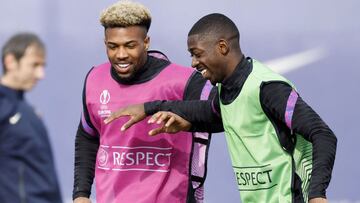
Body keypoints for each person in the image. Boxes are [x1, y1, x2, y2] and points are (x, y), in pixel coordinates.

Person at [105, 13, 337, 203]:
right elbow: (207, 112)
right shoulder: (226, 91)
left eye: (197, 54)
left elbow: (323, 134)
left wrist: (317, 194)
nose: (194, 63)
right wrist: (152, 109)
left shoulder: (266, 87)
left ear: (222, 47)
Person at [72, 1, 220, 203]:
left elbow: (220, 113)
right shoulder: (94, 79)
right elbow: (87, 136)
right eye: (113, 46)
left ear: (146, 42)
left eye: (130, 45)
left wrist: (166, 112)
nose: (121, 54)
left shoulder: (184, 81)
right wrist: (81, 194)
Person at [0, 33, 62, 203]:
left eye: (43, 66)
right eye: (34, 65)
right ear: (10, 61)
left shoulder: (28, 112)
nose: (40, 74)